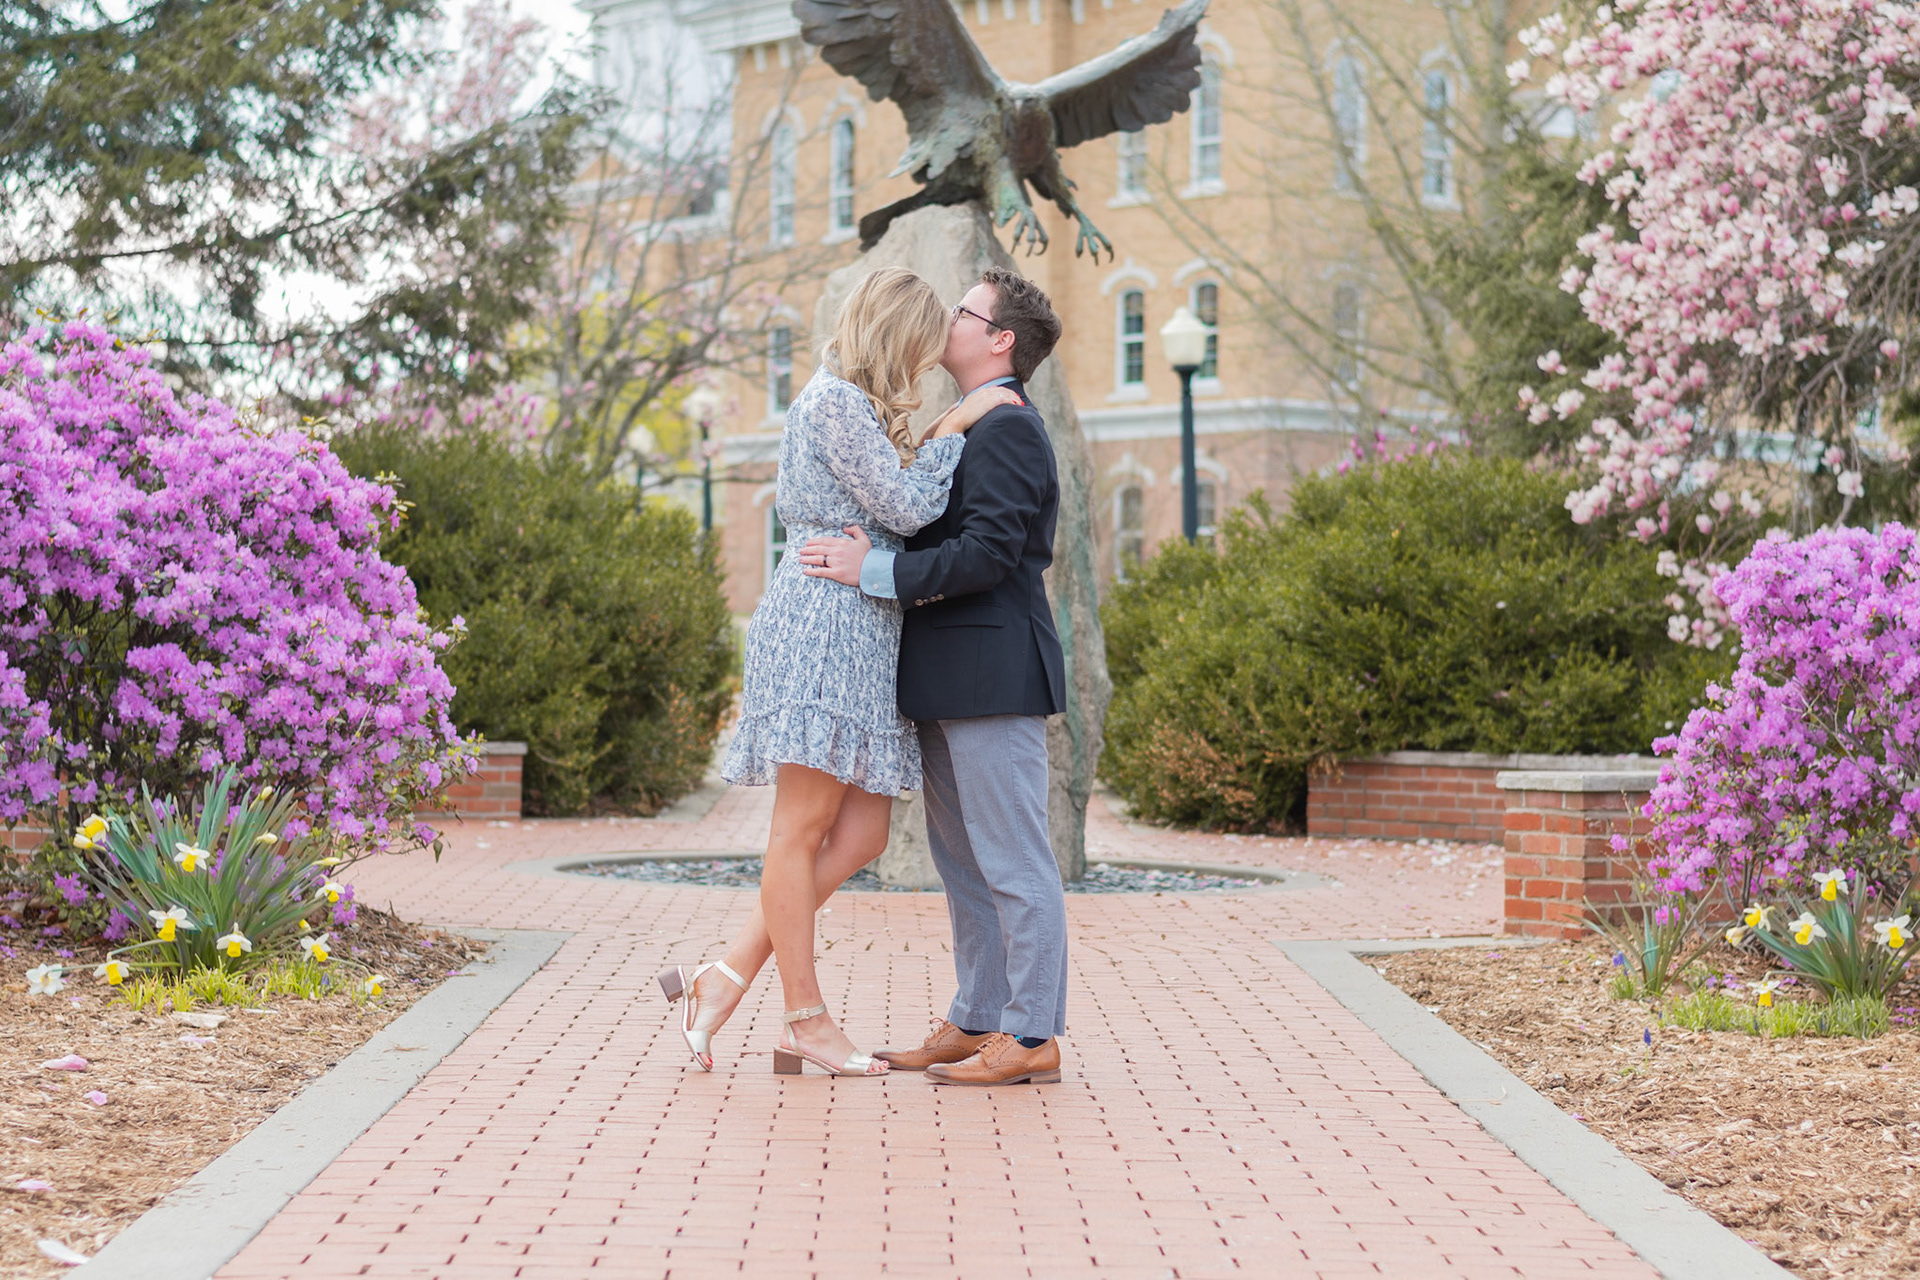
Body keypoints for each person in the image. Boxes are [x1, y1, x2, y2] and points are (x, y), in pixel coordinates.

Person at [656, 267, 1020, 1077]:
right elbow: (910, 509)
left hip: (862, 629)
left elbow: (894, 509)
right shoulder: (834, 402)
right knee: (802, 828)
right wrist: (955, 427)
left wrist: (936, 433)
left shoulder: (854, 405)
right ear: (895, 335)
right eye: (921, 347)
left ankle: (724, 976)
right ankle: (805, 1021)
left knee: (862, 834)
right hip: (823, 624)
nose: (927, 363)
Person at [797, 267, 1070, 1087]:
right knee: (965, 866)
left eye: (964, 311)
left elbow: (988, 554)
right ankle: (978, 1016)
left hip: (994, 676)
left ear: (1001, 339)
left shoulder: (1009, 428)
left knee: (1014, 861)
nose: (947, 319)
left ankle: (1032, 1034)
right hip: (948, 678)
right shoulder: (967, 424)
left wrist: (873, 570)